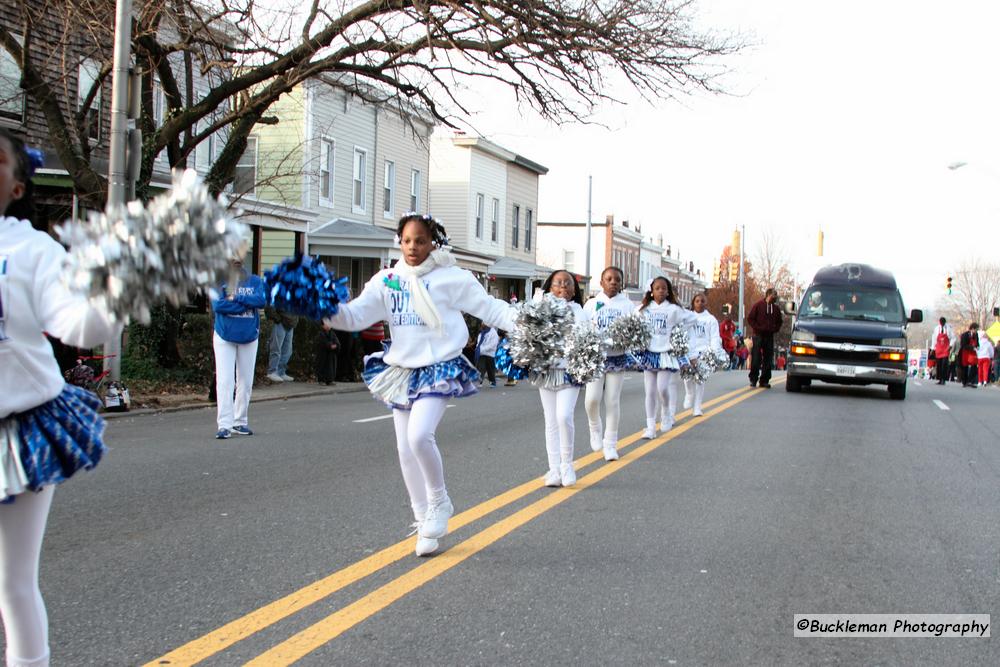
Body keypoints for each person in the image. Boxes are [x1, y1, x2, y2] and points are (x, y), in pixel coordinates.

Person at [323, 213, 515, 557]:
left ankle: (440, 501)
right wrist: (321, 307)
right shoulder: (386, 280)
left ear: (433, 243)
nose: (413, 247)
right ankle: (422, 520)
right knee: (403, 449)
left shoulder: (451, 278)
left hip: (439, 366)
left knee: (418, 436)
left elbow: (490, 308)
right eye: (407, 240)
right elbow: (353, 317)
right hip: (403, 370)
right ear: (399, 241)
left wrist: (525, 323)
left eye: (421, 241)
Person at [0, 129, 118, 667]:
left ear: (17, 183)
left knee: (12, 582)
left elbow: (76, 322)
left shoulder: (31, 250)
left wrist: (113, 289)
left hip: (22, 431)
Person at [534, 270, 585, 487]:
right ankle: (554, 469)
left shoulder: (579, 312)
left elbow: (586, 338)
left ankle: (567, 464)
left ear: (574, 290)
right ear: (550, 288)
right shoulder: (540, 308)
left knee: (564, 416)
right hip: (546, 371)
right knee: (551, 420)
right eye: (558, 283)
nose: (563, 286)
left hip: (569, 371)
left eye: (567, 283)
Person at [581, 266, 636, 461]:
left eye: (617, 279)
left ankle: (610, 444)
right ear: (601, 282)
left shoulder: (628, 305)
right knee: (591, 400)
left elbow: (635, 331)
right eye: (609, 278)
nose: (613, 282)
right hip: (596, 358)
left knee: (612, 401)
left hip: (617, 356)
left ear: (621, 283)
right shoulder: (592, 304)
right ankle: (594, 427)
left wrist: (628, 339)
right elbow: (583, 328)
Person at [212, 256, 266, 439]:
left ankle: (240, 421)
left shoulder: (255, 281)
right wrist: (244, 304)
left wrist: (236, 297)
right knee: (225, 381)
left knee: (245, 381)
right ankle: (224, 425)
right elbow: (218, 305)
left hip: (249, 335)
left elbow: (261, 300)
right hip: (224, 335)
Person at [637, 276, 693, 438]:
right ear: (652, 292)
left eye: (664, 288)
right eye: (657, 288)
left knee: (662, 388)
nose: (661, 291)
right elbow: (633, 321)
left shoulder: (673, 309)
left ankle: (666, 412)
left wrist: (677, 333)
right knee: (650, 391)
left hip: (666, 354)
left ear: (668, 291)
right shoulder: (644, 309)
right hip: (649, 353)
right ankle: (650, 427)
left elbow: (691, 318)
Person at [683, 292, 724, 416]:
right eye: (697, 301)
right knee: (687, 377)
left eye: (702, 301)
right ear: (693, 303)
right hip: (690, 351)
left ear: (706, 303)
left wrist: (713, 352)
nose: (700, 303)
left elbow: (715, 337)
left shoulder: (710, 319)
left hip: (704, 352)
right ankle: (689, 394)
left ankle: (697, 407)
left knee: (700, 380)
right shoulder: (688, 317)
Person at [747, 288, 782, 388]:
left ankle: (764, 380)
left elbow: (779, 321)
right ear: (768, 295)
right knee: (756, 358)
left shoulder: (776, 309)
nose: (775, 297)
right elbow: (750, 318)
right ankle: (753, 379)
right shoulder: (758, 305)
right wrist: (757, 328)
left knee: (768, 358)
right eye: (774, 295)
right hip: (758, 335)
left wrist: (775, 329)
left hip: (769, 336)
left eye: (776, 295)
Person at [265, 308, 298, 382]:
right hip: (280, 323)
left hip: (290, 324)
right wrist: (277, 319)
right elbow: (269, 306)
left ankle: (281, 372)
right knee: (276, 348)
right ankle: (272, 372)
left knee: (287, 351)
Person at [933, 317, 955, 385]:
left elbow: (953, 338)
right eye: (941, 323)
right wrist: (933, 348)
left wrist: (950, 346)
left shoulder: (948, 328)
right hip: (939, 348)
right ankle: (939, 379)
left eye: (943, 323)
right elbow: (934, 338)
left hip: (946, 349)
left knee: (944, 364)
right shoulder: (936, 329)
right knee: (939, 364)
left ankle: (943, 379)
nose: (942, 324)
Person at [959, 322, 980, 388]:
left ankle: (970, 380)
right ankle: (964, 382)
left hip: (972, 353)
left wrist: (977, 346)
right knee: (964, 367)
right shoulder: (965, 335)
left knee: (974, 367)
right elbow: (963, 345)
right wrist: (972, 347)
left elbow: (977, 343)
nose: (976, 331)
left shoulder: (976, 335)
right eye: (976, 329)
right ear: (972, 329)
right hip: (965, 352)